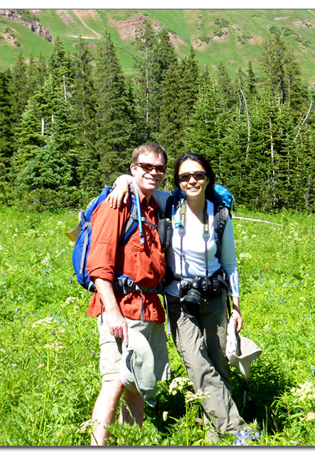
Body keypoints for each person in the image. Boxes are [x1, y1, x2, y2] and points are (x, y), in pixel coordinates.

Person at [109, 153, 255, 443]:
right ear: (177, 182)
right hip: (179, 299)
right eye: (185, 176)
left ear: (208, 177)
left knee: (218, 363)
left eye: (198, 175)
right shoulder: (169, 203)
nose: (192, 180)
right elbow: (137, 178)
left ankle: (214, 434)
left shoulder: (221, 214)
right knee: (197, 364)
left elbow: (230, 263)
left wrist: (236, 307)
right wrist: (121, 182)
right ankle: (239, 431)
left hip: (214, 297)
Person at [86, 143, 171, 446]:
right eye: (146, 167)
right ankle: (98, 446)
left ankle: (130, 444)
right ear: (133, 168)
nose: (154, 173)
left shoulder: (153, 205)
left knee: (138, 384)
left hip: (148, 307)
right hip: (121, 307)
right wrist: (112, 311)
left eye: (159, 168)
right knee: (114, 382)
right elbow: (98, 265)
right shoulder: (117, 204)